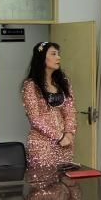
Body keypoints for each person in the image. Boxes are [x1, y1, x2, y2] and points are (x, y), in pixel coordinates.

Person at [21, 41, 76, 170]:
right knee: (43, 180)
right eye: (53, 54)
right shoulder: (31, 85)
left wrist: (69, 134)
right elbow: (35, 119)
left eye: (58, 54)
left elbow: (70, 111)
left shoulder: (63, 82)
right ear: (42, 58)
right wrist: (59, 136)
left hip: (64, 144)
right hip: (41, 145)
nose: (58, 57)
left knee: (64, 179)